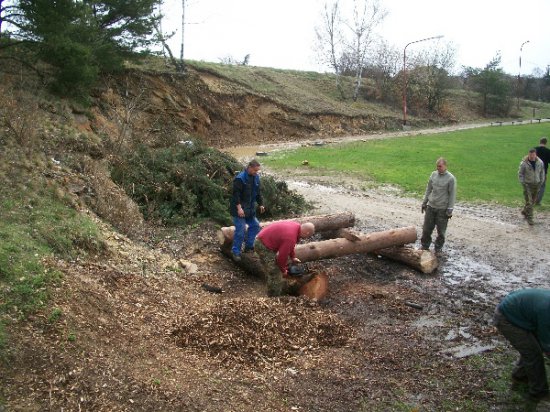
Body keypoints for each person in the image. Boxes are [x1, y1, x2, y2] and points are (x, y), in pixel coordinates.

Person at [493, 288, 550, 401]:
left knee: (532, 348)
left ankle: (520, 375)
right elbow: (547, 343)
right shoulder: (546, 312)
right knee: (533, 354)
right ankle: (539, 392)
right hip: (506, 319)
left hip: (522, 314)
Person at [254, 221, 315, 296]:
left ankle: (274, 285)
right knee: (275, 272)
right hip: (262, 245)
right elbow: (281, 257)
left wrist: (293, 257)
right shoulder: (291, 237)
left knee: (271, 269)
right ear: (307, 233)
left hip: (263, 239)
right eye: (308, 236)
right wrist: (283, 270)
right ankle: (273, 297)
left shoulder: (296, 226)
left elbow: (291, 245)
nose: (306, 238)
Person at [229, 159, 265, 261]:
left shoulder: (256, 177)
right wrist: (239, 208)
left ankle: (248, 247)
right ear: (249, 168)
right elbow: (236, 195)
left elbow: (258, 192)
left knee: (255, 226)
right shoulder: (240, 179)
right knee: (240, 230)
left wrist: (261, 204)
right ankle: (235, 252)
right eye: (255, 170)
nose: (256, 173)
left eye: (257, 171)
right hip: (239, 210)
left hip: (250, 209)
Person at [420, 157, 456, 253]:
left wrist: (450, 209)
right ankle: (425, 246)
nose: (438, 168)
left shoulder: (451, 179)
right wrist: (424, 203)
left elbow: (452, 194)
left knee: (441, 232)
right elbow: (428, 189)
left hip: (442, 209)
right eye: (437, 166)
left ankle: (438, 248)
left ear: (445, 166)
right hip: (431, 206)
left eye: (440, 166)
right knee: (426, 228)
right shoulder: (433, 175)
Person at [518, 148, 544, 225]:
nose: (532, 157)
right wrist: (523, 183)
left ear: (535, 154)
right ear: (528, 154)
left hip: (537, 184)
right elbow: (520, 174)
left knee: (532, 201)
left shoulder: (540, 162)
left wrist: (541, 181)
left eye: (533, 155)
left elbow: (542, 172)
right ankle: (530, 218)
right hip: (527, 185)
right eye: (530, 155)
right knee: (529, 201)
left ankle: (525, 211)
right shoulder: (524, 163)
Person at [535, 137, 550, 205]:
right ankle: (538, 201)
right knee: (542, 186)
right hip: (543, 171)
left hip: (534, 170)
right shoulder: (548, 151)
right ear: (546, 143)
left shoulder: (534, 149)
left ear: (539, 141)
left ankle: (532, 199)